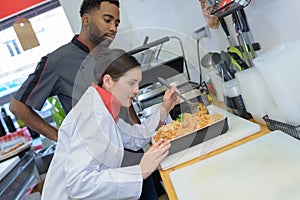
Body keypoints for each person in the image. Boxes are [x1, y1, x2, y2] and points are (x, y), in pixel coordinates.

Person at [41, 49, 179, 200]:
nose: (137, 90)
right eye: (131, 83)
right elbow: (78, 184)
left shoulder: (103, 109)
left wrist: (165, 108)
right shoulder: (93, 116)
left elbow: (135, 137)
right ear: (107, 81)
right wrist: (139, 172)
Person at [9, 0, 121, 142]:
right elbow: (17, 106)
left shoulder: (110, 56)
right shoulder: (57, 62)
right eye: (107, 20)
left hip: (133, 149)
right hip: (100, 155)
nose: (114, 29)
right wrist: (62, 139)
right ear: (86, 19)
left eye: (116, 24)